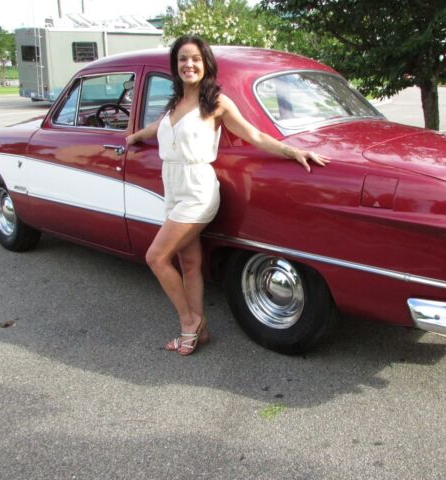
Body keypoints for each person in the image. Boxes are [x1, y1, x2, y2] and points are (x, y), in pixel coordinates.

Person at [126, 35, 329, 356]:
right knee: (189, 262)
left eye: (195, 59)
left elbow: (254, 134)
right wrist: (134, 136)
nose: (189, 65)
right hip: (173, 188)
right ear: (175, 65)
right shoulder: (174, 103)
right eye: (182, 59)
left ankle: (189, 321)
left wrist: (293, 152)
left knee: (156, 257)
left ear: (206, 64)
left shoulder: (216, 103)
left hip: (197, 190)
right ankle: (201, 332)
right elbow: (159, 128)